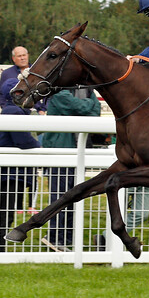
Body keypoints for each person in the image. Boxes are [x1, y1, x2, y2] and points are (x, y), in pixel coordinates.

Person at [39, 88, 101, 252]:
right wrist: (86, 105)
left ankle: (64, 240)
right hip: (61, 152)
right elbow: (86, 108)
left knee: (73, 197)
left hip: (78, 151)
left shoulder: (86, 90)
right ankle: (54, 238)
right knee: (60, 197)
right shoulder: (59, 92)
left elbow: (96, 111)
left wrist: (84, 106)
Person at [0, 79, 41, 252]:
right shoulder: (14, 112)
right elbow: (23, 140)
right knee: (5, 210)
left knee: (5, 209)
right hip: (12, 171)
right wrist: (40, 147)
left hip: (12, 170)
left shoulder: (11, 110)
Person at [0, 46, 46, 114]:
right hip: (15, 112)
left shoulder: (39, 72)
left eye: (24, 55)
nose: (22, 58)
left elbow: (47, 92)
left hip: (36, 111)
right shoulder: (6, 74)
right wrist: (6, 107)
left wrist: (42, 109)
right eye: (19, 56)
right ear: (13, 58)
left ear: (28, 56)